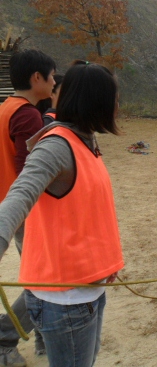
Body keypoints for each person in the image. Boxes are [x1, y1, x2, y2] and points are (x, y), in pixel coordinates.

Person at [0, 61, 124, 367]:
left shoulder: (85, 139)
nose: (117, 106)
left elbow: (87, 210)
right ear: (95, 101)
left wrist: (104, 261)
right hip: (66, 300)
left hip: (87, 289)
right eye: (113, 98)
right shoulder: (56, 146)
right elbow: (20, 195)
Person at [0, 49, 56, 366]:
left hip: (10, 204)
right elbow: (30, 173)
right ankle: (5, 335)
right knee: (43, 280)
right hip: (24, 212)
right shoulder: (27, 116)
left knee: (39, 276)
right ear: (37, 78)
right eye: (52, 76)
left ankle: (43, 338)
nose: (54, 82)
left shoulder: (8, 106)